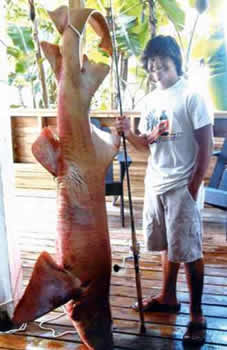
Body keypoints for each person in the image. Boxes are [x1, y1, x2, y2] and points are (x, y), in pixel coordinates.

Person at [115, 35, 213, 345]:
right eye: (153, 68)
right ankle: (168, 297)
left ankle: (197, 314)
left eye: (164, 67)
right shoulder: (150, 100)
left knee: (189, 250)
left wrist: (195, 184)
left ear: (176, 64)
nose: (158, 73)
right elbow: (147, 143)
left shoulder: (192, 95)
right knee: (166, 244)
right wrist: (128, 133)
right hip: (156, 182)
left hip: (183, 185)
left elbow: (206, 143)